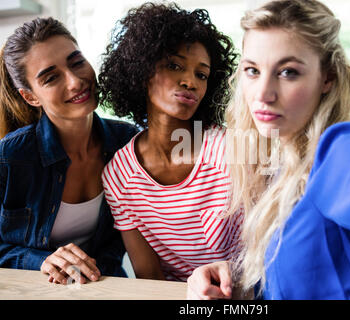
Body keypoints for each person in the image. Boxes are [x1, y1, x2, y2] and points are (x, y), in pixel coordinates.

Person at [186, 0, 350, 300]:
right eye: (252, 70)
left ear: (327, 78)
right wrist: (236, 281)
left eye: (287, 72)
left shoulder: (343, 148)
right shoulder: (285, 164)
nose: (263, 93)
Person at [98, 3, 241, 282]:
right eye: (174, 65)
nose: (190, 82)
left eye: (202, 74)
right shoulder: (119, 177)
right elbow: (149, 277)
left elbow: (263, 251)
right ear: (141, 71)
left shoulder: (230, 150)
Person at [0, 17, 138, 285]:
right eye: (51, 78)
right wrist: (40, 260)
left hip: (105, 287)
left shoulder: (128, 142)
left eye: (76, 62)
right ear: (30, 96)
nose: (75, 82)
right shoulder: (9, 158)